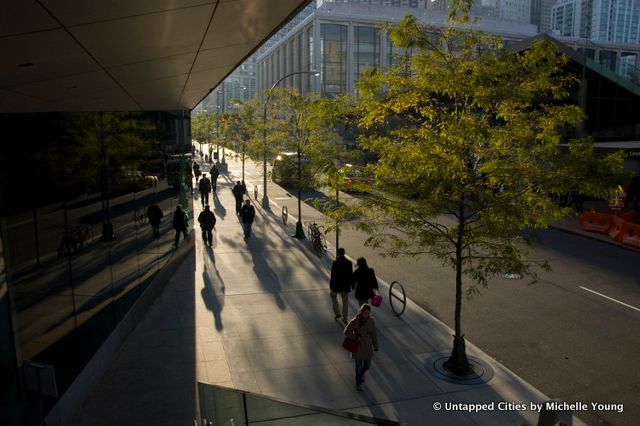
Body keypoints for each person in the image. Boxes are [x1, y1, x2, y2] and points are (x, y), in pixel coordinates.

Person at [344, 303, 378, 391]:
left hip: (367, 346)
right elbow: (346, 331)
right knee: (358, 367)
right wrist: (355, 337)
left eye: (368, 313)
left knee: (367, 366)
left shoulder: (371, 321)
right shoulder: (354, 321)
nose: (367, 315)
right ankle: (358, 383)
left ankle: (361, 375)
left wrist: (376, 346)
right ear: (361, 312)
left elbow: (374, 334)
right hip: (358, 347)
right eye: (365, 312)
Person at [330, 248, 353, 324]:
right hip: (345, 286)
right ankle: (345, 318)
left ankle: (337, 312)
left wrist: (331, 286)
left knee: (333, 296)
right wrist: (351, 285)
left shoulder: (335, 263)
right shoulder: (349, 263)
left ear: (338, 253)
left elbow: (333, 275)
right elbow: (350, 275)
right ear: (344, 253)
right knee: (345, 302)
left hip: (336, 285)